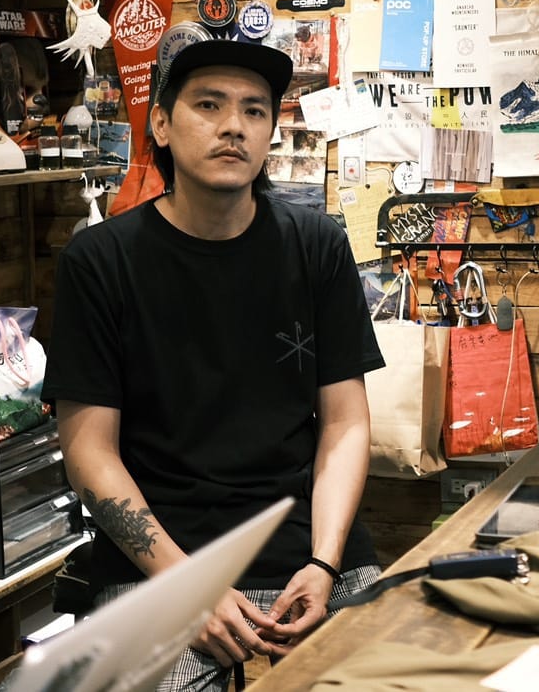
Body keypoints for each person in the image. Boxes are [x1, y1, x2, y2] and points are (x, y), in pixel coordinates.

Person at [43, 35, 383, 691]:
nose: (234, 126)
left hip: (306, 556)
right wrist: (187, 588)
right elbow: (90, 454)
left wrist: (325, 563)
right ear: (162, 125)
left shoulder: (317, 247)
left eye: (255, 110)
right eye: (209, 104)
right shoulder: (100, 262)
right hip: (156, 565)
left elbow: (345, 423)